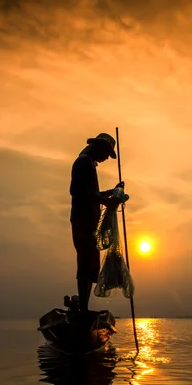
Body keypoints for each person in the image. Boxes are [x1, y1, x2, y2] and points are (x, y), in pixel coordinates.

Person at [70, 133, 125, 313]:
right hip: (83, 220)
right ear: (98, 146)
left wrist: (110, 193)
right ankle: (83, 309)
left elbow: (91, 192)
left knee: (90, 263)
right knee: (86, 262)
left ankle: (84, 307)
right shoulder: (83, 162)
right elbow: (77, 191)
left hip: (89, 221)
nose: (106, 158)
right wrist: (105, 201)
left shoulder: (89, 163)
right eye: (106, 153)